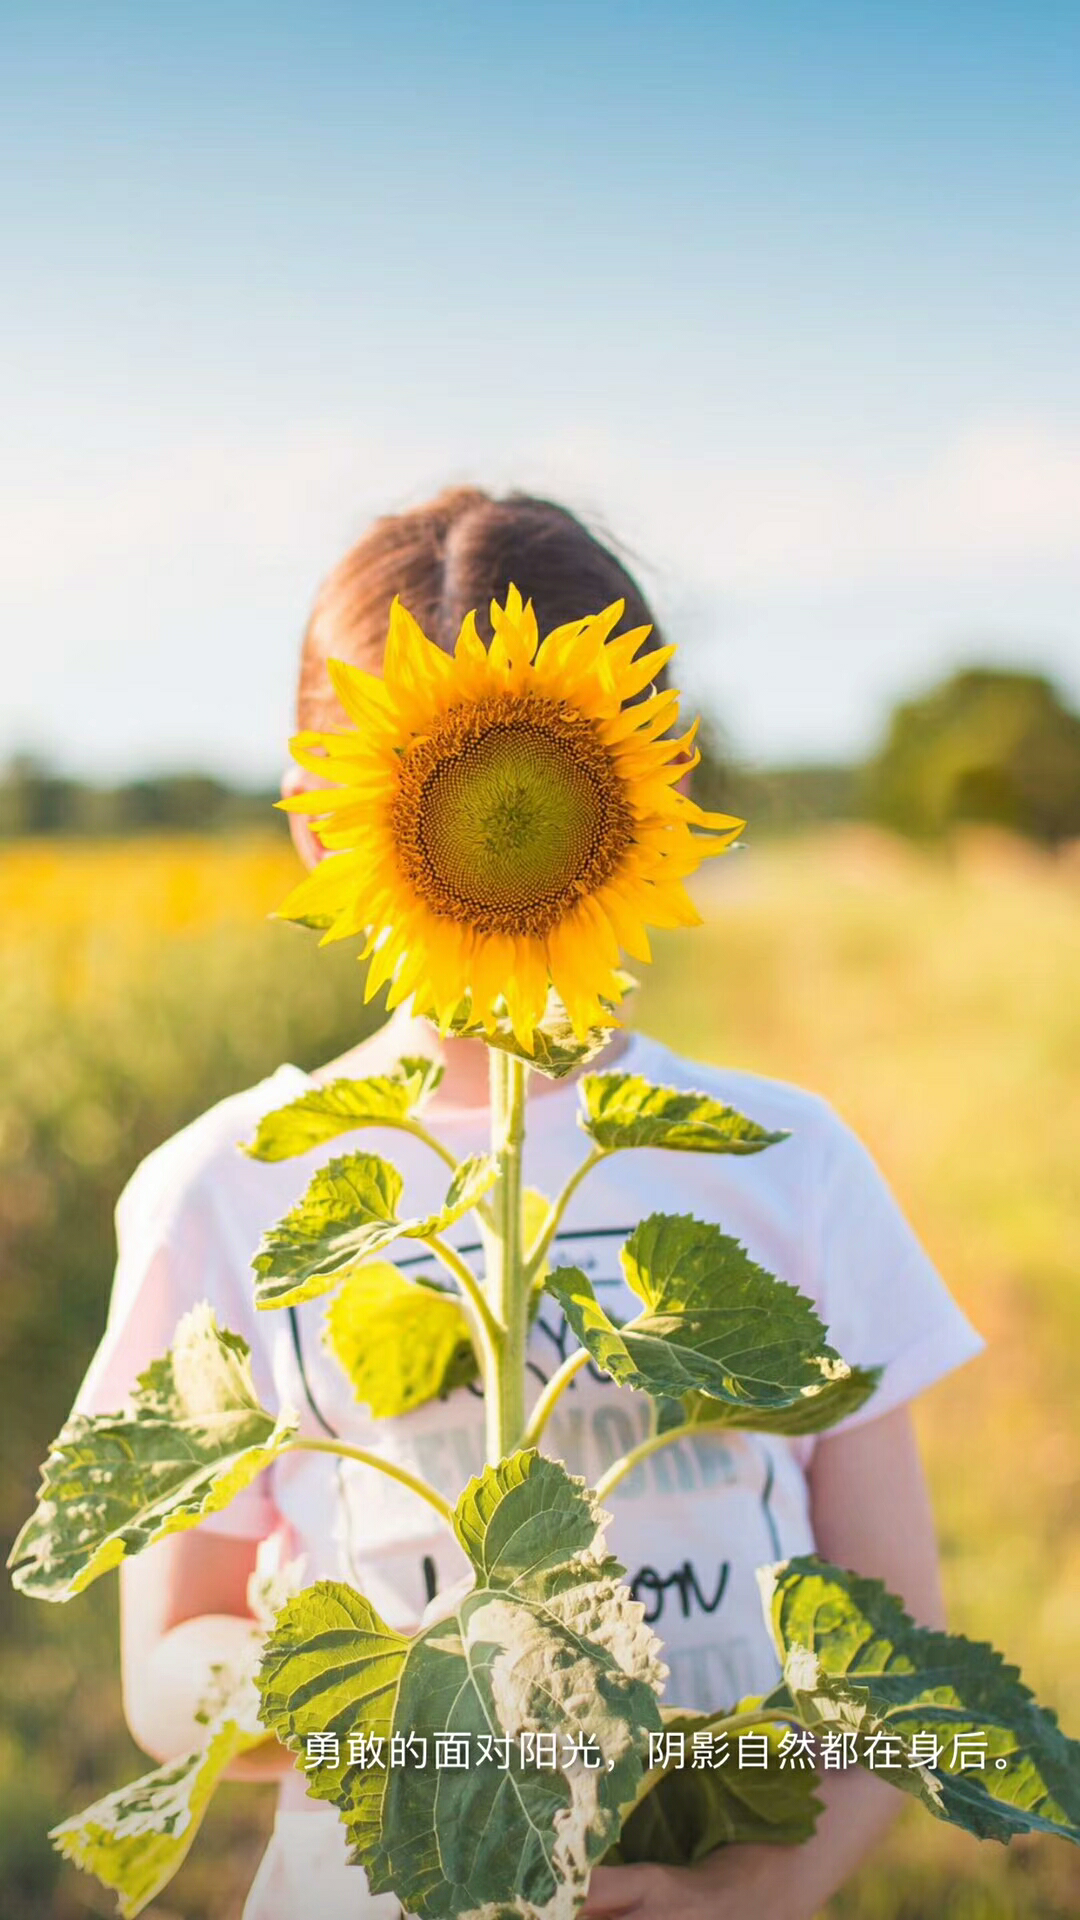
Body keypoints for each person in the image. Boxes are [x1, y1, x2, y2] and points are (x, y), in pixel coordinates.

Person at [72, 487, 985, 1920]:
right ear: (327, 824)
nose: (509, 823)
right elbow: (166, 1667)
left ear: (655, 785)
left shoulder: (785, 1161)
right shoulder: (231, 1186)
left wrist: (755, 1894)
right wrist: (409, 1708)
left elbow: (901, 1660)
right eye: (433, 785)